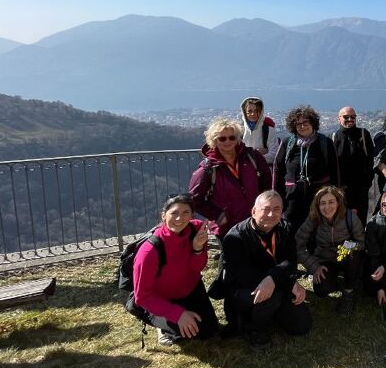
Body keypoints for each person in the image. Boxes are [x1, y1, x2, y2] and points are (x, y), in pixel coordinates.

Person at [219, 190, 312, 350]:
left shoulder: (285, 228)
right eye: (266, 209)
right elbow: (241, 274)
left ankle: (270, 313)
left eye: (276, 209)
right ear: (254, 211)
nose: (271, 214)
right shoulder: (235, 237)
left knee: (301, 326)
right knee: (270, 295)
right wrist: (286, 284)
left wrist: (274, 279)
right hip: (243, 288)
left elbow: (290, 261)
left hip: (276, 281)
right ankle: (253, 328)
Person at [129, 193, 218, 346]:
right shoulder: (149, 251)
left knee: (209, 331)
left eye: (186, 213)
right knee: (185, 333)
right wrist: (178, 315)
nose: (179, 218)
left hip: (190, 289)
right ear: (163, 216)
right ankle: (158, 324)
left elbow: (197, 268)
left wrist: (197, 249)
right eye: (174, 213)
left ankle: (175, 320)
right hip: (160, 298)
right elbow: (143, 296)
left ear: (191, 215)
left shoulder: (196, 231)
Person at [189, 117, 272, 239]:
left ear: (237, 138)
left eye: (232, 137)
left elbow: (267, 180)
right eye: (222, 138)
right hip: (227, 228)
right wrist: (218, 215)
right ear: (214, 141)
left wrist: (264, 205)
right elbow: (194, 199)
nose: (227, 141)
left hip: (255, 221)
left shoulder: (252, 156)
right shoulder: (208, 168)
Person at [295, 185, 365, 317]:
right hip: (325, 259)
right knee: (321, 290)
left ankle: (348, 292)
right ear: (317, 205)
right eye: (322, 203)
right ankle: (341, 282)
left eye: (331, 202)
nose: (327, 207)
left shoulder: (351, 218)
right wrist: (314, 266)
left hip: (346, 257)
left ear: (338, 202)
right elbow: (297, 244)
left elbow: (361, 243)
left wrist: (349, 246)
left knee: (354, 255)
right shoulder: (314, 218)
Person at [273, 105, 339, 231]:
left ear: (313, 123)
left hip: (318, 195)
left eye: (305, 122)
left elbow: (334, 170)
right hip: (292, 196)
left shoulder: (325, 143)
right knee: (290, 229)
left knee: (317, 228)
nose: (302, 126)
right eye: (298, 124)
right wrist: (276, 195)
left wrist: (335, 196)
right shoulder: (288, 143)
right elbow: (278, 169)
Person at [331, 105, 375, 225]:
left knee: (359, 224)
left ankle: (359, 244)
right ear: (339, 119)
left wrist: (366, 183)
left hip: (361, 189)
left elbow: (370, 160)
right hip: (342, 190)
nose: (350, 119)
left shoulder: (363, 134)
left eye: (353, 117)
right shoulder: (335, 137)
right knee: (341, 223)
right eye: (346, 117)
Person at [240, 96, 279, 161]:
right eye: (249, 111)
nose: (253, 114)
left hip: (263, 170)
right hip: (244, 170)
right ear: (244, 112)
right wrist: (257, 153)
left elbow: (274, 155)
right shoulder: (239, 131)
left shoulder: (268, 130)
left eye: (256, 111)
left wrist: (248, 157)